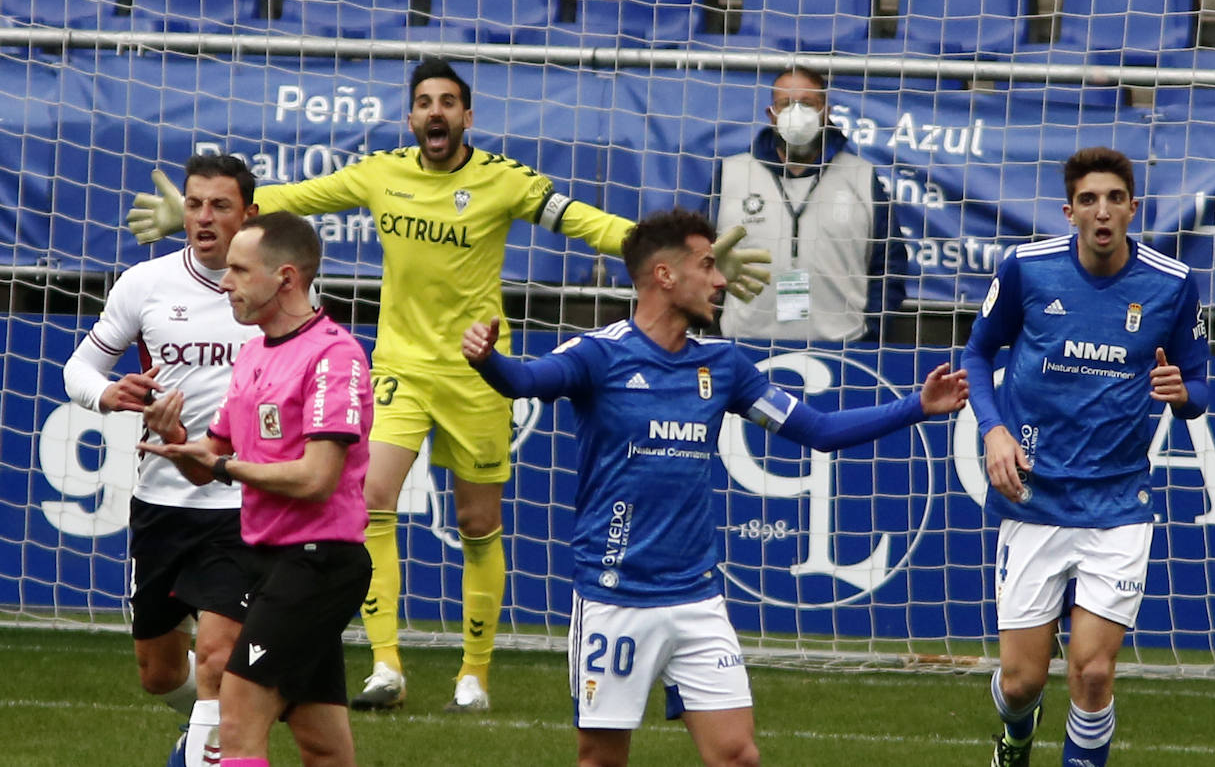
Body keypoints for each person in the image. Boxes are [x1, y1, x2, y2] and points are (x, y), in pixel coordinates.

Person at [126, 58, 771, 713]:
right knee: (373, 499)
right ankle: (385, 664)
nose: (435, 111)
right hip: (400, 367)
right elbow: (298, 196)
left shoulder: (505, 179)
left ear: (467, 116)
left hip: (478, 370)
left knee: (476, 522)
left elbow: (586, 222)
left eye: (447, 102)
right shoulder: (381, 173)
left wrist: (678, 257)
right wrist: (209, 214)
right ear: (411, 118)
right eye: (424, 102)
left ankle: (473, 674)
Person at [461, 209, 967, 767]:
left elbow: (818, 431)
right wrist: (489, 360)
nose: (721, 279)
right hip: (614, 596)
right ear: (665, 275)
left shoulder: (721, 365)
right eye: (707, 265)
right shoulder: (599, 354)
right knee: (601, 760)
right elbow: (525, 381)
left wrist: (916, 407)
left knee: (737, 756)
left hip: (696, 599)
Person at [962, 147, 1210, 767]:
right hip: (1034, 497)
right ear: (1069, 211)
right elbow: (977, 355)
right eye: (1089, 200)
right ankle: (1016, 736)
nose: (1103, 211)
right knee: (1021, 684)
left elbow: (1199, 386)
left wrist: (1183, 394)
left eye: (1115, 199)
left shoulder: (1172, 284)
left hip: (1117, 504)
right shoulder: (1027, 269)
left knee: (1093, 673)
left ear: (1133, 208)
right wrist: (993, 431)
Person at [138, 211, 374, 767]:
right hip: (267, 559)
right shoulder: (253, 353)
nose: (225, 282)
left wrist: (224, 467)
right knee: (322, 745)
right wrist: (178, 439)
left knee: (237, 723)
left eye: (240, 271)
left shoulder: (333, 355)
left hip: (317, 563)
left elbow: (316, 479)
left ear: (285, 278)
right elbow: (209, 463)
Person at [63, 154, 262, 767]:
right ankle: (215, 725)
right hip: (160, 504)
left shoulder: (273, 289)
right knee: (159, 672)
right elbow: (80, 367)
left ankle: (211, 742)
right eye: (194, 204)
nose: (203, 217)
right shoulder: (144, 283)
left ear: (248, 215)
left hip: (239, 501)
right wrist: (107, 394)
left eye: (220, 205)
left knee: (218, 658)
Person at [712, 65, 906, 343]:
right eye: (786, 103)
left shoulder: (861, 175)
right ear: (771, 113)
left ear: (826, 112)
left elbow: (889, 263)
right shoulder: (732, 173)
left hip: (843, 346)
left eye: (807, 103)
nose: (797, 113)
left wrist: (870, 331)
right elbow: (701, 257)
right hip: (745, 342)